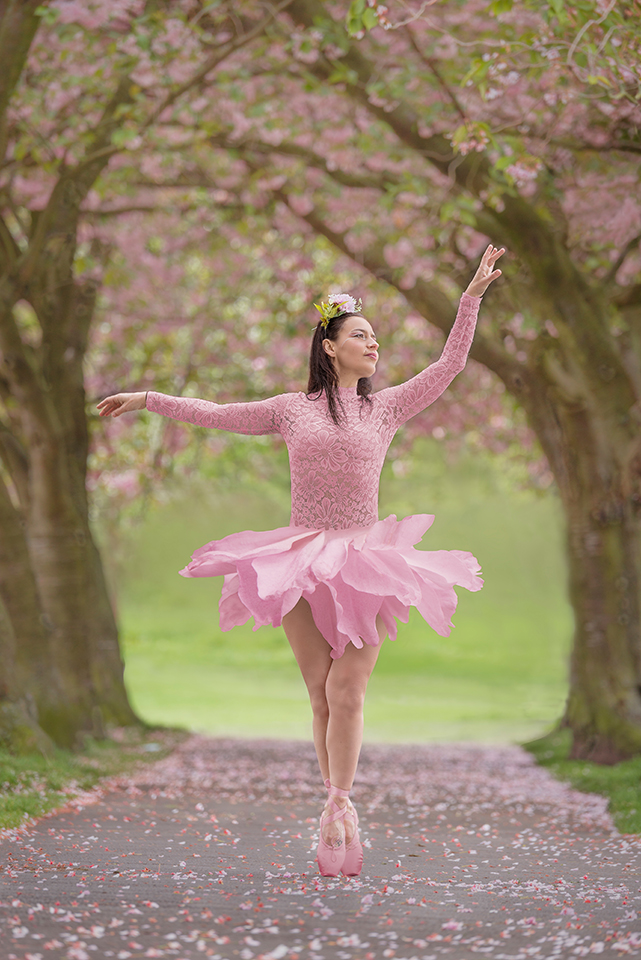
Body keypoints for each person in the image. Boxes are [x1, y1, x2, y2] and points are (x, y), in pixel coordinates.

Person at [97, 243, 505, 878]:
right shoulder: (291, 410)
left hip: (368, 561)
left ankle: (343, 805)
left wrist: (471, 296)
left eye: (375, 337)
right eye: (361, 336)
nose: (374, 345)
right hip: (299, 561)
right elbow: (219, 414)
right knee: (319, 692)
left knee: (348, 688)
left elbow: (451, 364)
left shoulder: (386, 407)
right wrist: (149, 398)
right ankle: (332, 801)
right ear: (330, 346)